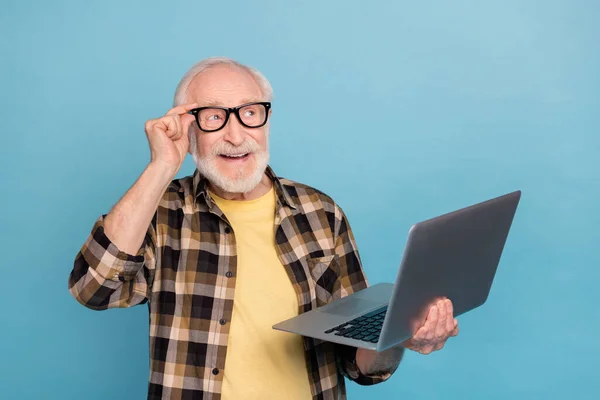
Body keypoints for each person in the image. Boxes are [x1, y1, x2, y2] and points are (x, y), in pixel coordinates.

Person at [68, 57, 459, 400]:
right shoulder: (162, 212)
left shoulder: (321, 213)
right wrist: (160, 168)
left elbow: (358, 362)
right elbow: (93, 288)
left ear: (266, 120)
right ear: (188, 130)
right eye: (214, 117)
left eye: (250, 112)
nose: (236, 135)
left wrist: (398, 336)